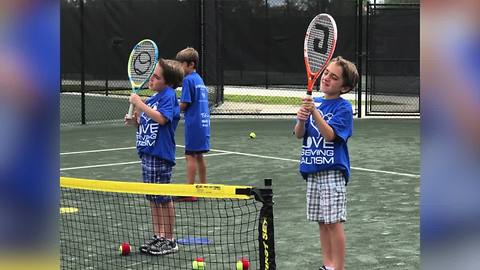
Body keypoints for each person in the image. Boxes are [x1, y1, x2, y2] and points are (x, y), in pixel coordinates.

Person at [294, 56, 359, 270]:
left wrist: (314, 112)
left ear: (345, 87)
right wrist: (302, 118)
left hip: (332, 172)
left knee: (334, 222)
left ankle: (338, 267)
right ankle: (328, 265)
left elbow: (330, 135)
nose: (327, 78)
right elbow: (298, 134)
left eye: (334, 77)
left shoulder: (343, 108)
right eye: (326, 73)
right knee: (322, 221)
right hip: (313, 170)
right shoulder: (317, 102)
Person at [124, 59, 184, 255]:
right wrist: (134, 121)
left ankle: (169, 239)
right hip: (147, 154)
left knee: (163, 198)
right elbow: (146, 124)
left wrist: (139, 102)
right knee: (152, 198)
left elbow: (162, 119)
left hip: (160, 155)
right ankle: (158, 236)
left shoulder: (168, 97)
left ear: (168, 83)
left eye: (156, 77)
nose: (152, 79)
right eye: (152, 74)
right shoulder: (154, 99)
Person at [175, 47, 210, 199]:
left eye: (181, 64)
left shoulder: (188, 80)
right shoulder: (199, 79)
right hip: (203, 123)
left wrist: (171, 108)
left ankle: (189, 192)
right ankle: (203, 187)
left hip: (194, 124)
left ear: (191, 64)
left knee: (190, 156)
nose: (179, 67)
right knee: (199, 156)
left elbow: (184, 104)